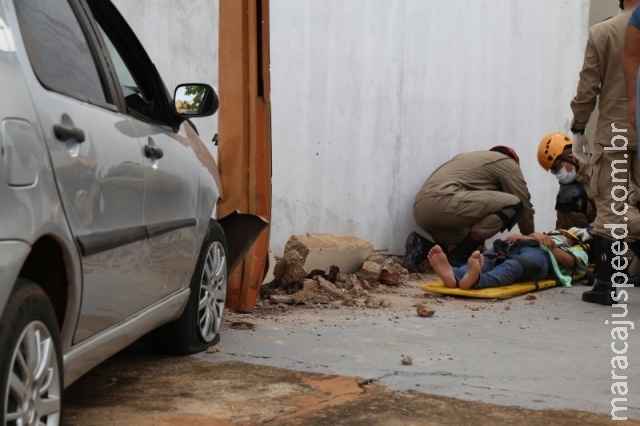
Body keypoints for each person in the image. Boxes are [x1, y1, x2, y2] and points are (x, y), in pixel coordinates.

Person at [571, 0, 640, 305]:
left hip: (616, 133)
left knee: (612, 206)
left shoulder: (603, 31)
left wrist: (578, 127)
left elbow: (588, 87)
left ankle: (605, 286)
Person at [404, 146, 535, 272]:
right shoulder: (508, 163)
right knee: (514, 204)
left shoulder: (473, 161)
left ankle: (420, 247)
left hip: (423, 210)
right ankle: (458, 258)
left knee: (476, 251)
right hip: (442, 200)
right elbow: (524, 205)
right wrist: (531, 241)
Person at [427, 230, 588, 291]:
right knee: (489, 258)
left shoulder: (575, 250)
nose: (559, 235)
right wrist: (526, 237)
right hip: (516, 247)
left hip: (541, 256)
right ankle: (454, 274)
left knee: (512, 266)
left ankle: (477, 280)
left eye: (564, 235)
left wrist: (547, 244)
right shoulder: (541, 235)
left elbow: (571, 263)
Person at [537, 132, 595, 230]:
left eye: (556, 168)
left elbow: (614, 211)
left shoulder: (600, 168)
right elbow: (563, 220)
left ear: (571, 158)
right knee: (568, 196)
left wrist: (592, 230)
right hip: (590, 228)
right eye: (553, 171)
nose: (557, 174)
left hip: (614, 223)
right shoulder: (568, 183)